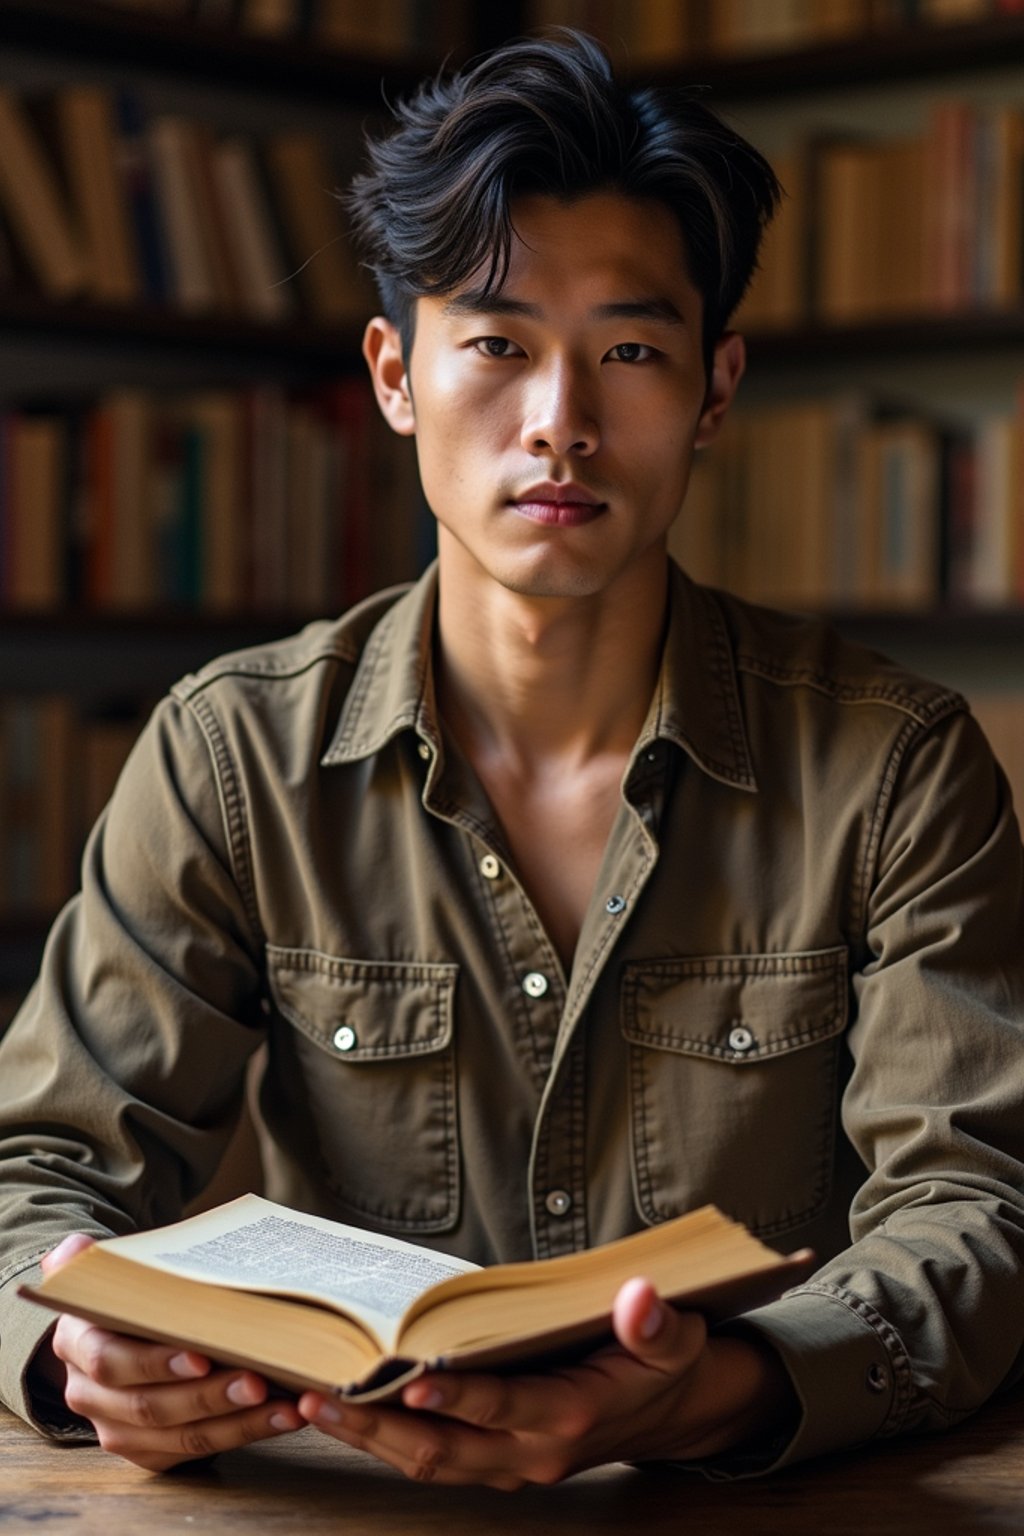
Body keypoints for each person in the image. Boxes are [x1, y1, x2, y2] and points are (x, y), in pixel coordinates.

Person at [2, 29, 1024, 1489]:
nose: (561, 424)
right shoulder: (233, 754)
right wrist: (71, 1354)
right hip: (340, 1503)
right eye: (495, 344)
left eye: (629, 351)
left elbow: (984, 1207)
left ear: (715, 389)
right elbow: (34, 1172)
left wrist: (728, 1387)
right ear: (395, 375)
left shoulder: (896, 768)